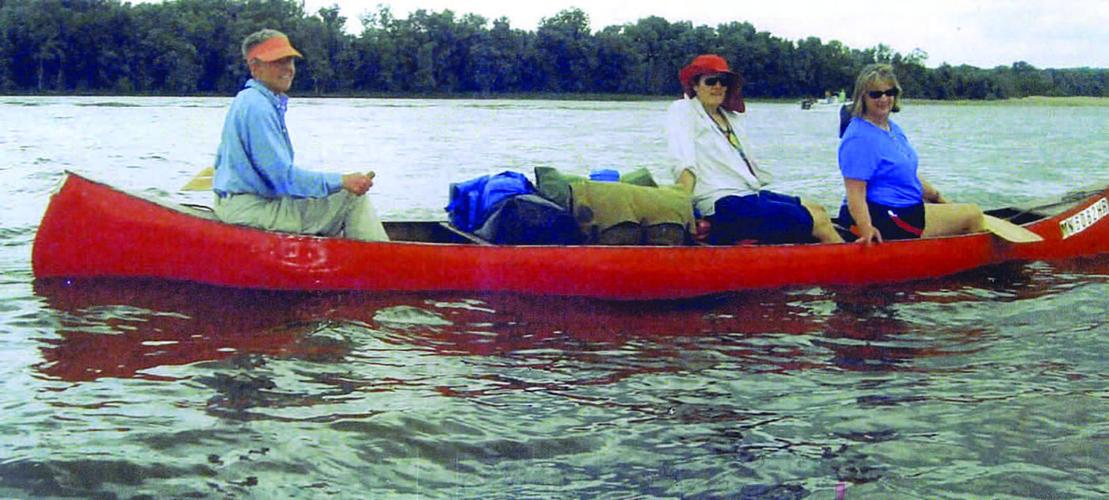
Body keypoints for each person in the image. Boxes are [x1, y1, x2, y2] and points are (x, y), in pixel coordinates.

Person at [211, 29, 388, 241]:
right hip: (252, 210)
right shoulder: (257, 107)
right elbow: (282, 179)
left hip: (238, 204)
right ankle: (384, 260)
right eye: (278, 62)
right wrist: (342, 181)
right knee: (350, 198)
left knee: (336, 198)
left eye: (290, 61)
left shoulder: (250, 100)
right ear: (255, 67)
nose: (288, 68)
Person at [667, 54, 844, 244]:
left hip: (746, 194)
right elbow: (684, 163)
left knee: (818, 210)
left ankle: (834, 253)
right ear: (695, 85)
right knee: (817, 222)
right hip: (720, 203)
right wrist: (686, 212)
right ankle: (848, 259)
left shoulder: (729, 117)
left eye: (723, 81)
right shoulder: (683, 110)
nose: (718, 86)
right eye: (710, 81)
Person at [838, 63, 984, 244]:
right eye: (876, 94)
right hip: (889, 216)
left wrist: (939, 198)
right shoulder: (859, 138)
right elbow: (854, 192)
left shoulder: (892, 128)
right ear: (863, 97)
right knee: (974, 215)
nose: (884, 98)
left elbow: (906, 171)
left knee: (961, 211)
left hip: (906, 208)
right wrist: (866, 228)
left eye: (889, 92)